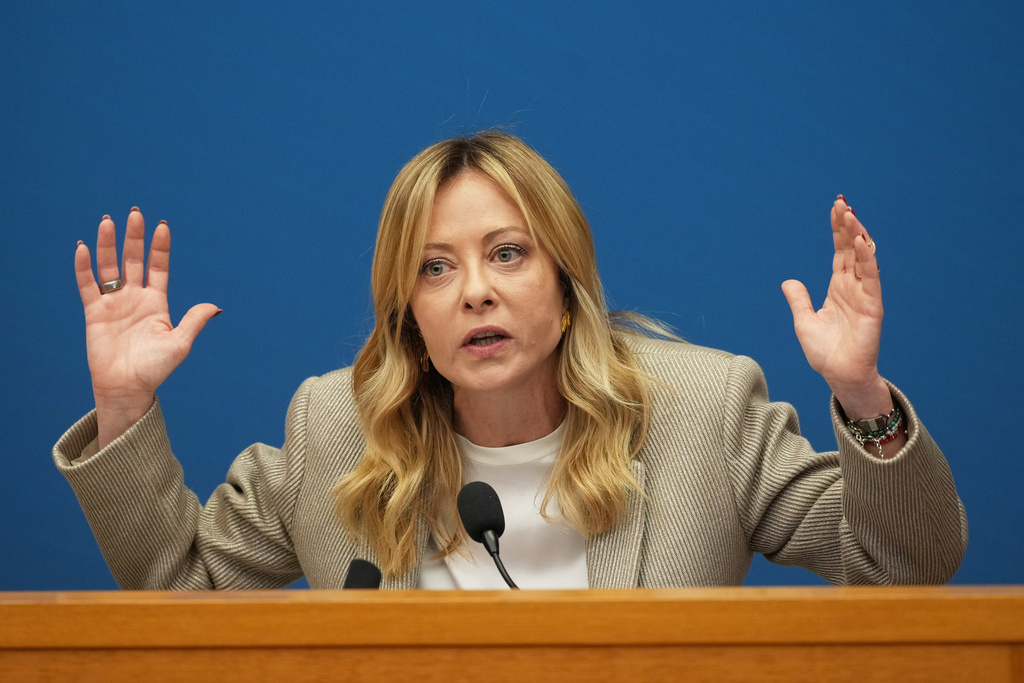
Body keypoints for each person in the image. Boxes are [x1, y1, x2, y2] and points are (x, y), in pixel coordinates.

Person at [54, 131, 967, 590]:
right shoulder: (334, 428)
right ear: (408, 315)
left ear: (567, 286)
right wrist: (125, 406)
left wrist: (860, 392)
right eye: (435, 269)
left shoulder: (705, 409)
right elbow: (179, 586)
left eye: (507, 253)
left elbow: (910, 563)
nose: (475, 293)